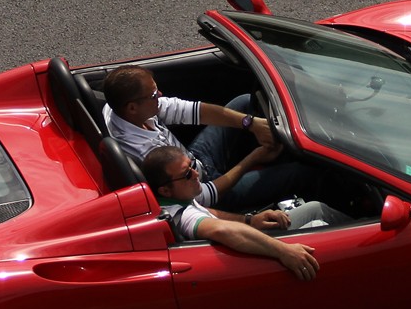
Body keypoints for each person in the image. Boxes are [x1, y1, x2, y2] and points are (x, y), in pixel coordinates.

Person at [103, 65, 317, 209]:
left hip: (194, 160)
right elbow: (201, 197)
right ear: (132, 107)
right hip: (205, 189)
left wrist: (250, 123)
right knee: (299, 173)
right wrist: (254, 158)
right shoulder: (148, 153)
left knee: (243, 103)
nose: (160, 95)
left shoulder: (115, 109)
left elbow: (191, 111)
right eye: (153, 95)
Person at [142, 145, 330, 281]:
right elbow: (222, 230)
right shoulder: (182, 216)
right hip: (250, 258)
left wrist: (250, 220)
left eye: (192, 166)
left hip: (248, 241)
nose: (196, 174)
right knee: (319, 229)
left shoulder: (178, 196)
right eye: (187, 174)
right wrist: (284, 250)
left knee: (315, 208)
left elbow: (207, 212)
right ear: (165, 190)